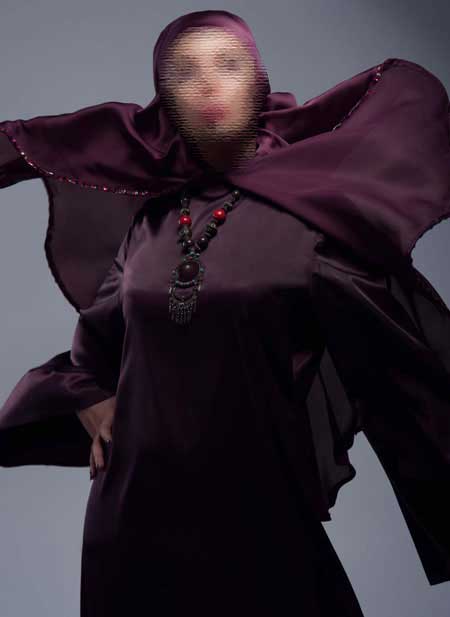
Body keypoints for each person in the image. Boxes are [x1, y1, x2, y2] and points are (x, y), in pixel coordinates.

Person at [0, 9, 449, 616]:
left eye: (228, 66)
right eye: (185, 72)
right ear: (164, 97)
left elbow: (400, 373)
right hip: (129, 521)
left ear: (258, 83)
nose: (209, 84)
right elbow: (94, 352)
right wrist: (86, 395)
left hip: (257, 515)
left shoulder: (312, 222)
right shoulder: (153, 223)